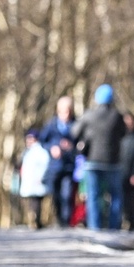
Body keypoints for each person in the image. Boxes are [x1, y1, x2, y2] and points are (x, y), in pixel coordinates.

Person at [70, 84, 127, 230]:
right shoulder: (117, 116)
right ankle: (114, 227)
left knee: (93, 195)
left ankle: (95, 227)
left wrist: (86, 138)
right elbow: (124, 133)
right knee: (116, 195)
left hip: (92, 161)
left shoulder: (89, 116)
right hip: (113, 162)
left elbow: (74, 132)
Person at [38, 95, 77, 227]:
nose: (65, 114)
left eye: (68, 110)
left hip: (69, 167)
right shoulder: (51, 125)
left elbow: (81, 144)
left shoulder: (76, 125)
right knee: (56, 195)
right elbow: (43, 141)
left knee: (67, 194)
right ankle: (59, 219)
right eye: (62, 110)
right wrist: (52, 148)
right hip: (54, 167)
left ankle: (66, 221)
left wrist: (71, 147)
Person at [17, 130, 51, 229]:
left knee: (36, 202)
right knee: (32, 202)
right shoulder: (27, 151)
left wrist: (41, 176)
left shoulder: (40, 151)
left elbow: (45, 165)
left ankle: (36, 220)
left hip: (37, 182)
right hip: (29, 182)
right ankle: (33, 220)